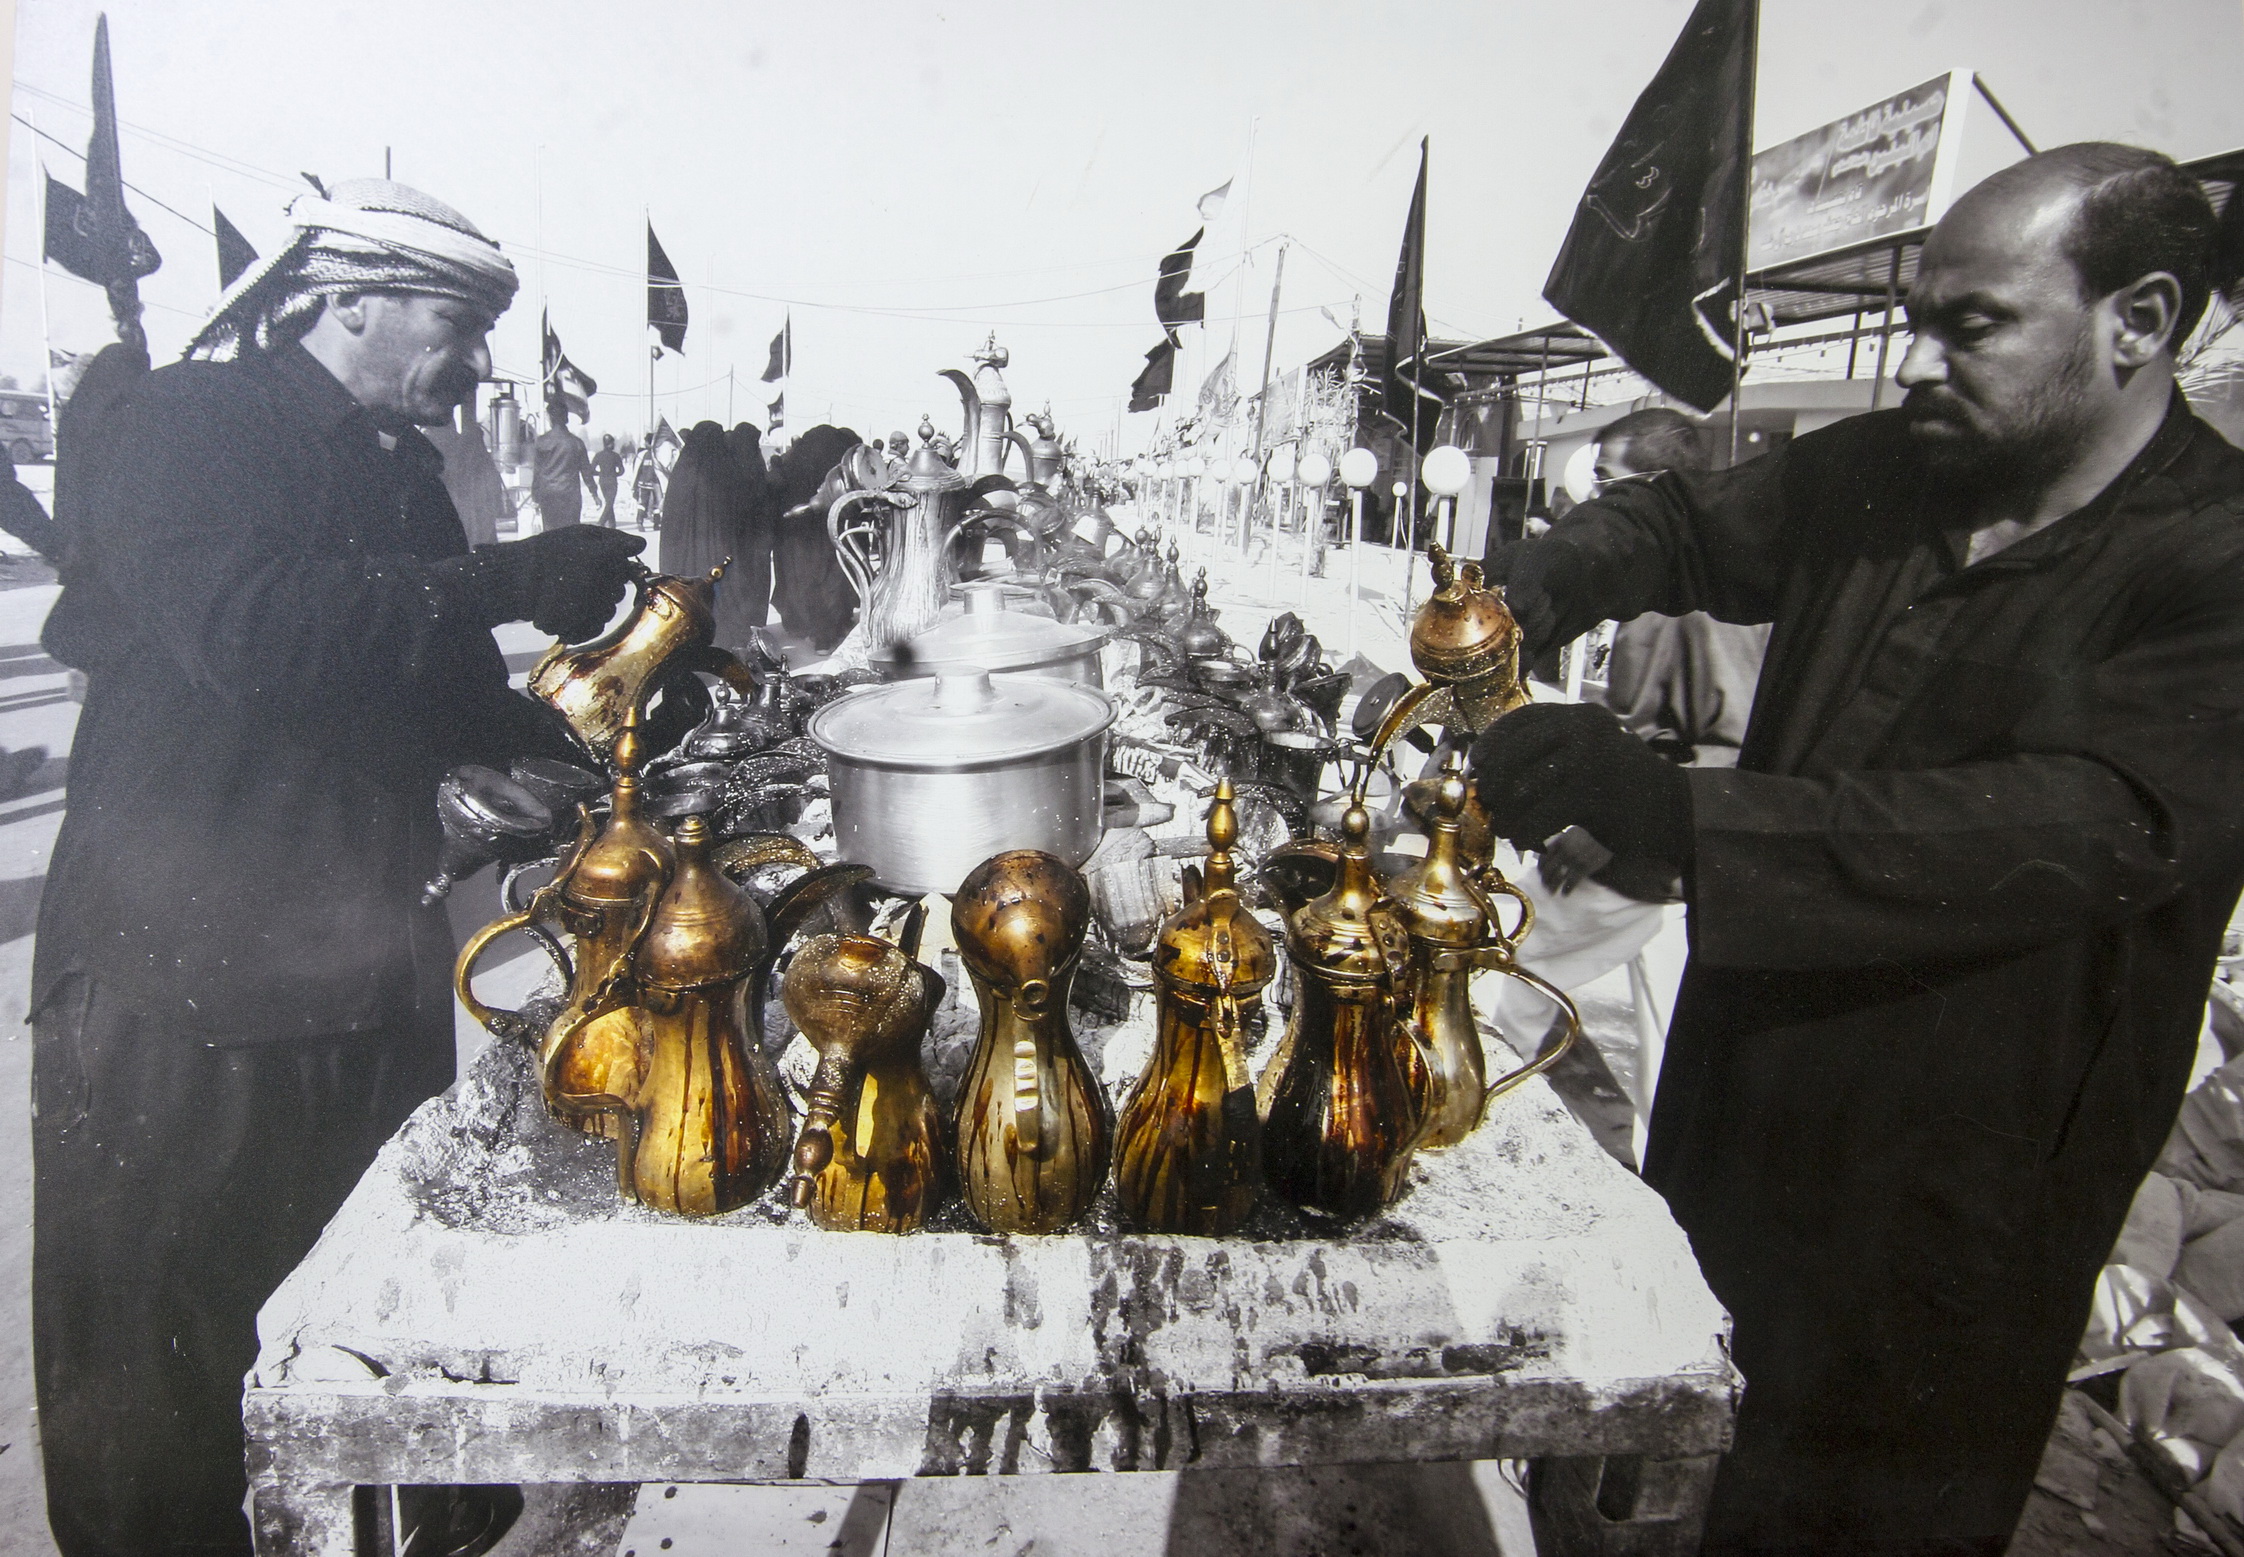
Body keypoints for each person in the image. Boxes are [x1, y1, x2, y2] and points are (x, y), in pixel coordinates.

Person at [1474, 144, 2244, 1555]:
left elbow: (2074, 824)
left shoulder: (2221, 558)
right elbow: (1683, 518)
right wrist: (1553, 573)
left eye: (1973, 326)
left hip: (1951, 1214)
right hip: (1743, 1120)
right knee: (1648, 1478)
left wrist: (1674, 813)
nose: (1914, 363)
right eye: (1916, 320)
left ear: (2137, 320)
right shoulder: (1899, 471)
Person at [31, 178, 645, 1557]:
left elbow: (444, 690)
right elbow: (255, 629)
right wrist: (506, 577)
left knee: (365, 1347)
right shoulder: (191, 421)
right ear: (346, 298)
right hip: (177, 991)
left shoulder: (395, 470)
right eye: (455, 322)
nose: (476, 359)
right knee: (162, 1386)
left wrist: (621, 727)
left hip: (358, 974)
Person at [1592, 408, 1770, 767]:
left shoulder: (1706, 603)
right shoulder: (1656, 580)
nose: (1596, 499)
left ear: (1657, 485)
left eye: (1605, 480)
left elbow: (1730, 750)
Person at [529, 395, 597, 528]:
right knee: (570, 534)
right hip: (570, 496)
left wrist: (535, 497)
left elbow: (537, 473)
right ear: (566, 418)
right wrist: (593, 492)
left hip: (548, 495)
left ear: (550, 418)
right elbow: (586, 472)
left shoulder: (542, 442)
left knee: (551, 534)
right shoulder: (577, 443)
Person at [590, 431, 624, 527]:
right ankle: (601, 522)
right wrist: (615, 474)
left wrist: (600, 473)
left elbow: (591, 470)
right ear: (610, 443)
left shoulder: (598, 455)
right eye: (613, 443)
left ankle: (612, 524)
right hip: (612, 481)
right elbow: (622, 471)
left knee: (609, 502)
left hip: (602, 481)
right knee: (610, 502)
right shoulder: (615, 456)